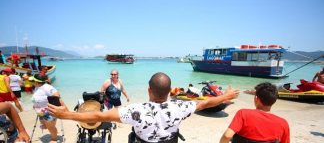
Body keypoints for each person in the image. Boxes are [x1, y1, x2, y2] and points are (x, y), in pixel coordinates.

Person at [49, 72, 239, 142]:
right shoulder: (182, 107)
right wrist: (226, 96)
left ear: (149, 89)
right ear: (170, 91)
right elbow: (206, 102)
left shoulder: (135, 111)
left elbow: (99, 116)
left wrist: (68, 115)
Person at [219, 82, 290, 143]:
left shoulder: (243, 113)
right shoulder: (283, 123)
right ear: (274, 100)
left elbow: (227, 136)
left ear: (256, 99)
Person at [31, 74, 60, 143]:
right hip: (40, 111)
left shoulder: (47, 87)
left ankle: (54, 139)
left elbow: (57, 95)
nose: (32, 82)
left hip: (48, 111)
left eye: (33, 80)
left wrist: (52, 108)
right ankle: (53, 131)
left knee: (50, 127)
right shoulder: (37, 87)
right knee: (45, 125)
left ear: (36, 81)